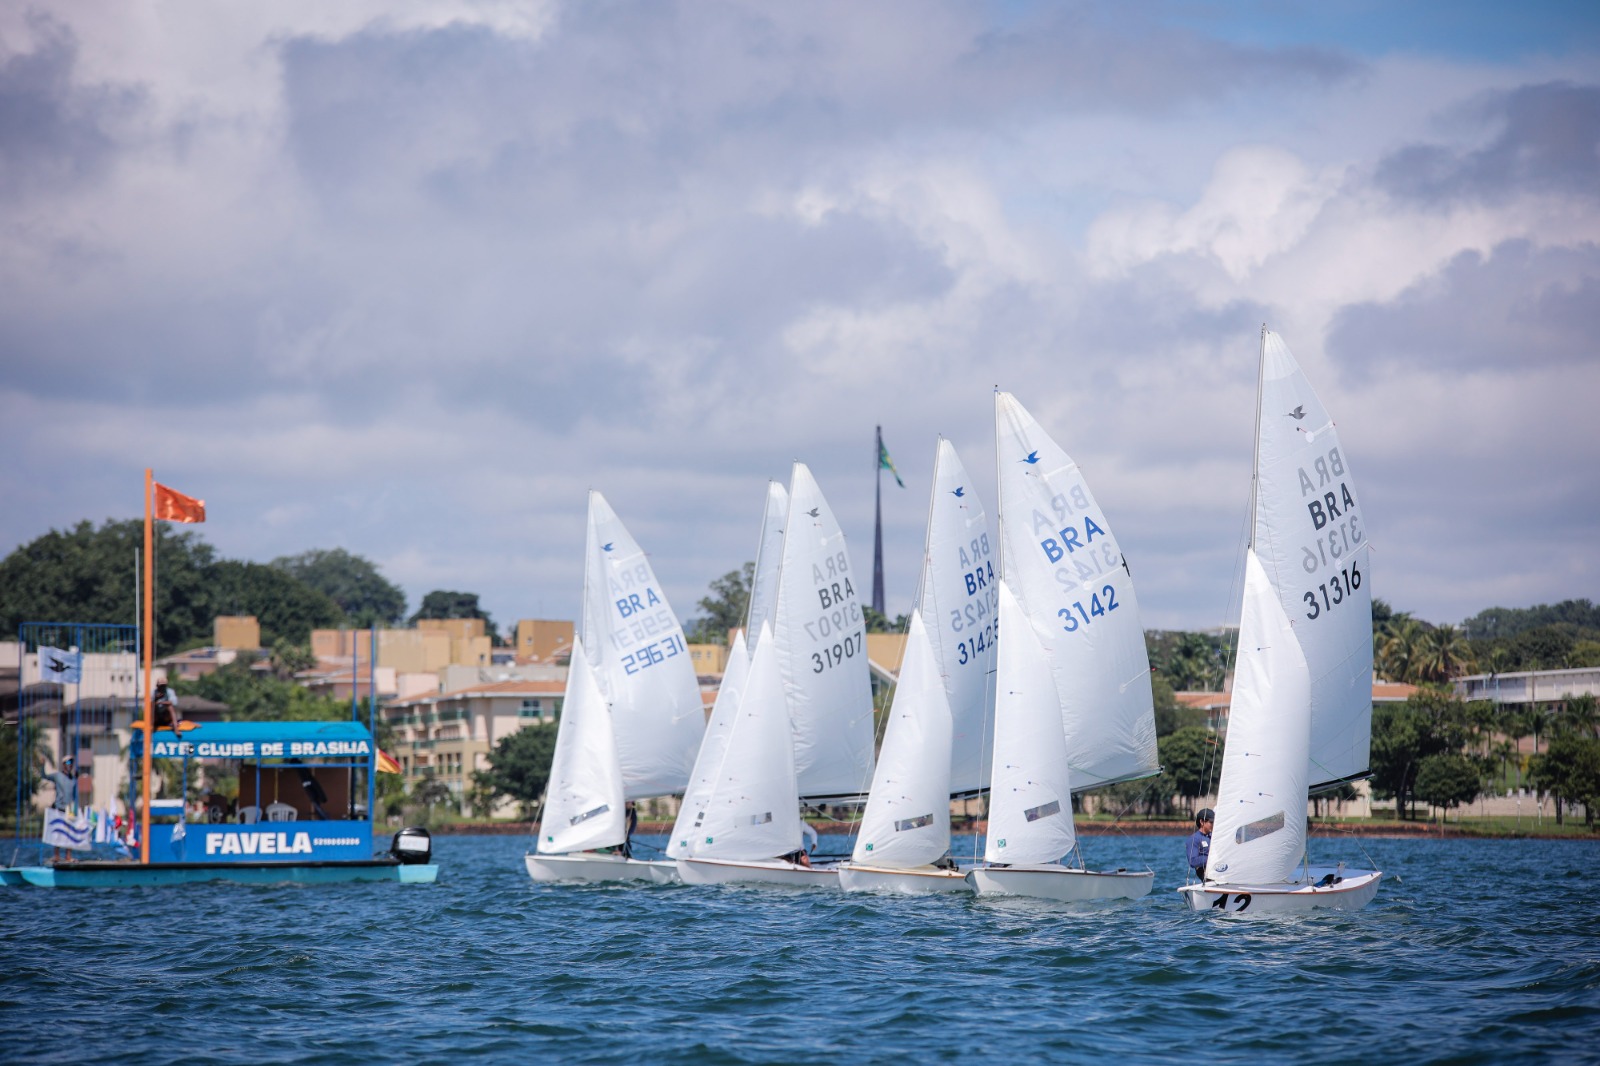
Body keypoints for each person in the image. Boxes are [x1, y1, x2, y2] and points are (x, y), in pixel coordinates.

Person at [41, 756, 79, 863]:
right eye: (67, 762)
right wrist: (42, 765)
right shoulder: (57, 776)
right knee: (57, 832)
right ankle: (56, 856)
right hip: (59, 808)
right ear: (63, 764)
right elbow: (44, 776)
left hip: (70, 809)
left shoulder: (73, 779)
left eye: (71, 762)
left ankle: (68, 856)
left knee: (70, 833)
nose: (70, 764)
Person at [1187, 807, 1214, 881]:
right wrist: (1211, 858)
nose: (1214, 825)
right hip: (1205, 872)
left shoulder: (1214, 837)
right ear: (1202, 822)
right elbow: (1193, 861)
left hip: (1221, 868)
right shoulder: (1194, 839)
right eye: (1211, 822)